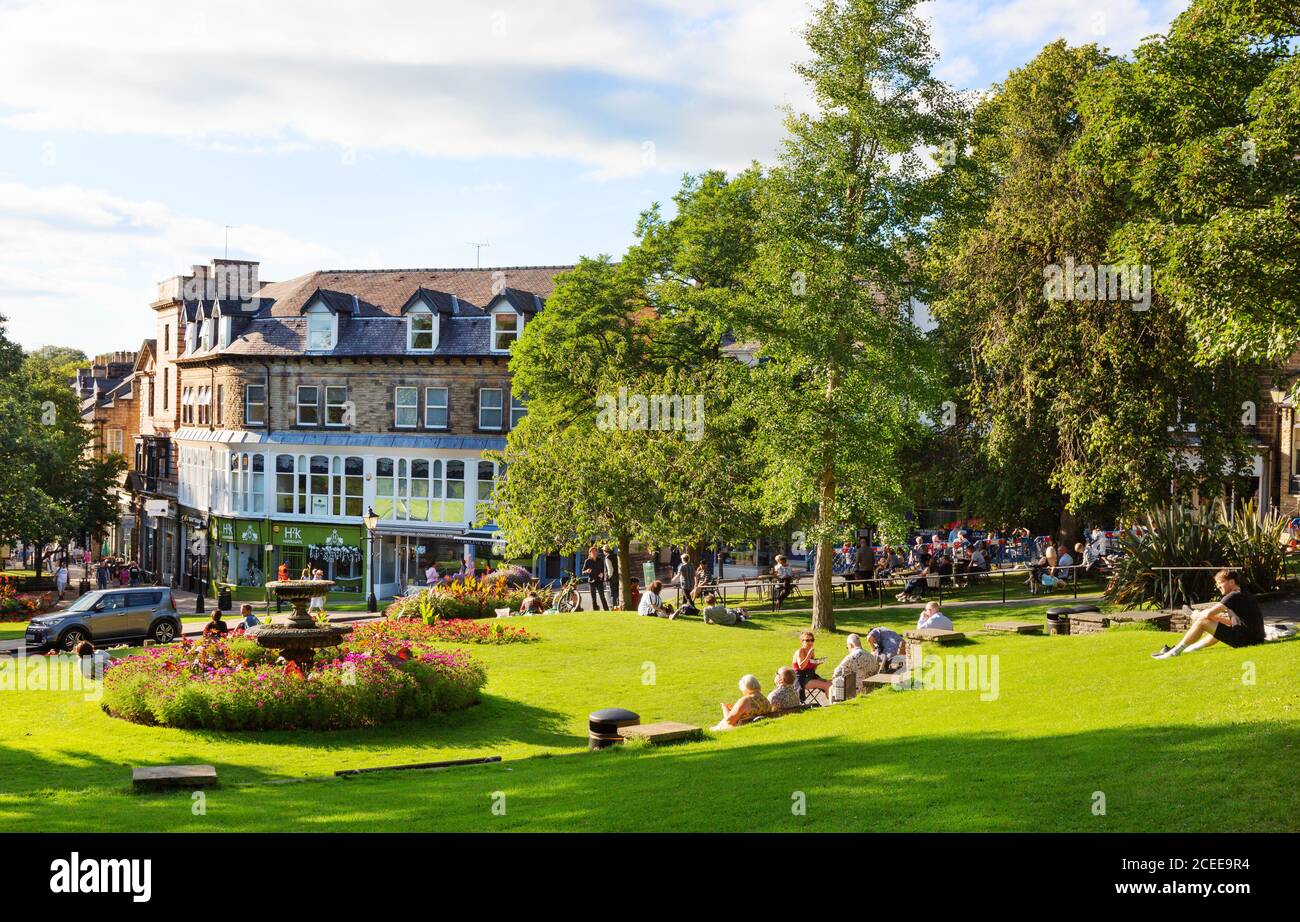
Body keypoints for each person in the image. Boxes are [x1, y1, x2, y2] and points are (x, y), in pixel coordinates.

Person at [1153, 569, 1265, 658]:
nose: (1218, 586)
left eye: (1220, 583)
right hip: (1255, 639)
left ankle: (1174, 652)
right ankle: (1190, 648)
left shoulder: (1233, 596)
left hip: (1245, 641)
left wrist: (1197, 615)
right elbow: (1232, 623)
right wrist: (1214, 618)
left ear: (1231, 582)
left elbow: (1207, 615)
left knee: (1202, 621)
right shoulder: (1245, 594)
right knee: (1215, 622)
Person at [792, 631, 831, 703]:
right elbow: (801, 667)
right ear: (802, 641)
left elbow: (811, 669)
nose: (810, 642)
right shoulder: (800, 651)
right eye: (807, 640)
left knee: (831, 683)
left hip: (810, 676)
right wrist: (809, 655)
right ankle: (832, 705)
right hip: (801, 679)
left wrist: (816, 664)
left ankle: (835, 702)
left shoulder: (811, 652)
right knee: (827, 685)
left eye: (812, 640)